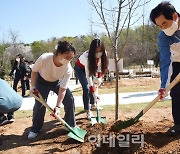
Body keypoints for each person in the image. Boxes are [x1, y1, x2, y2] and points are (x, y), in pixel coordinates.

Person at [28, 41, 77, 139]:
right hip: (41, 81)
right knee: (40, 104)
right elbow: (34, 71)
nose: (68, 60)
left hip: (56, 82)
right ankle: (35, 128)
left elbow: (62, 89)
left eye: (71, 58)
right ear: (59, 53)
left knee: (69, 98)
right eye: (67, 57)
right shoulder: (45, 58)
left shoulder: (68, 68)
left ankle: (71, 125)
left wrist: (58, 107)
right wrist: (33, 86)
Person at [150, 1, 180, 135]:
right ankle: (178, 124)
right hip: (177, 63)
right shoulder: (163, 37)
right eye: (159, 26)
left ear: (174, 16)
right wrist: (164, 86)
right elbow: (166, 62)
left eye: (165, 24)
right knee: (176, 92)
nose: (163, 28)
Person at [74, 39, 108, 119]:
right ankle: (88, 110)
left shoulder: (104, 54)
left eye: (100, 51)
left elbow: (100, 67)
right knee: (86, 88)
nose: (99, 53)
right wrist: (93, 91)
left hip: (91, 68)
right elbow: (88, 77)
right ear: (93, 50)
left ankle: (93, 104)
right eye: (97, 51)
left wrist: (99, 78)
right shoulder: (86, 57)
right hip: (80, 69)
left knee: (94, 86)